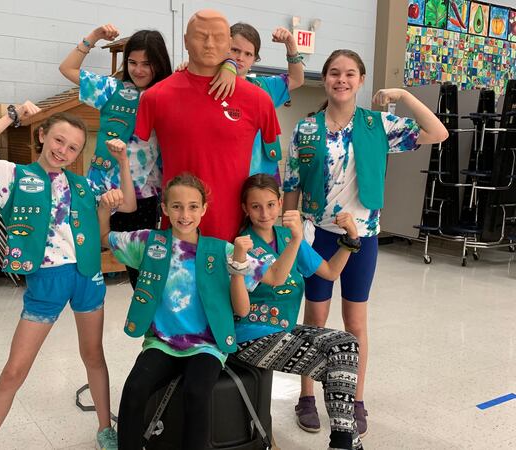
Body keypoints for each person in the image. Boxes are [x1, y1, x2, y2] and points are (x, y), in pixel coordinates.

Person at [283, 49, 449, 436]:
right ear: (324, 79)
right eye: (334, 73)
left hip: (363, 236)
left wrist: (404, 96)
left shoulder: (379, 125)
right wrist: (286, 237)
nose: (342, 80)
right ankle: (307, 396)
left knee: (355, 322)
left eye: (350, 74)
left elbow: (438, 133)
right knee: (316, 320)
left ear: (360, 81)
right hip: (316, 235)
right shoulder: (306, 129)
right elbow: (290, 185)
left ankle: (355, 399)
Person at [0, 101, 136, 450]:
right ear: (42, 135)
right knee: (15, 370)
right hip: (46, 280)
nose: (63, 151)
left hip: (87, 276)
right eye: (58, 141)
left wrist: (123, 165)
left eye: (73, 148)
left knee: (93, 356)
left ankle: (105, 429)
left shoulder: (84, 186)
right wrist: (12, 117)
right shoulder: (15, 176)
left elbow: (128, 205)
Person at [98, 173, 292, 450]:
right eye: (176, 206)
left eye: (192, 206)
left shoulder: (221, 250)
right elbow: (105, 237)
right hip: (162, 343)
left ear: (203, 209)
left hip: (206, 346)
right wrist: (104, 209)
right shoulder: (149, 242)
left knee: (197, 392)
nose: (185, 214)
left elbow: (274, 276)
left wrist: (295, 239)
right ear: (164, 209)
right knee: (134, 390)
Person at [59, 24, 236, 287]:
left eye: (147, 63)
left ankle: (152, 320)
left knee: (143, 272)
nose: (138, 70)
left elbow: (209, 78)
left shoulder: (171, 93)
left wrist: (230, 63)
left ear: (159, 63)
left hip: (143, 198)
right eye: (132, 62)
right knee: (84, 262)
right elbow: (68, 69)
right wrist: (94, 36)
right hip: (101, 192)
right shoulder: (112, 90)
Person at [231, 173, 362, 450]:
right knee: (337, 370)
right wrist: (296, 239)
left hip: (284, 331)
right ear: (245, 208)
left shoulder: (287, 236)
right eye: (255, 206)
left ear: (280, 204)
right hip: (250, 337)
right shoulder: (243, 244)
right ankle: (348, 442)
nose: (264, 213)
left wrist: (351, 238)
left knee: (347, 345)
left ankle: (343, 442)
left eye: (270, 204)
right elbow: (277, 276)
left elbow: (330, 272)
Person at [134, 9, 282, 242]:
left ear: (228, 43)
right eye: (201, 35)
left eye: (218, 37)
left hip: (236, 237)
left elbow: (272, 169)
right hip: (178, 234)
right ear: (185, 41)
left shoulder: (258, 100)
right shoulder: (155, 97)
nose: (209, 44)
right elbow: (138, 168)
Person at [229, 22, 304, 180]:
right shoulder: (209, 86)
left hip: (261, 181)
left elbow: (297, 79)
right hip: (224, 177)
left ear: (255, 59)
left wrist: (291, 45)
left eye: (248, 54)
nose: (240, 58)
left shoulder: (264, 88)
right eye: (235, 50)